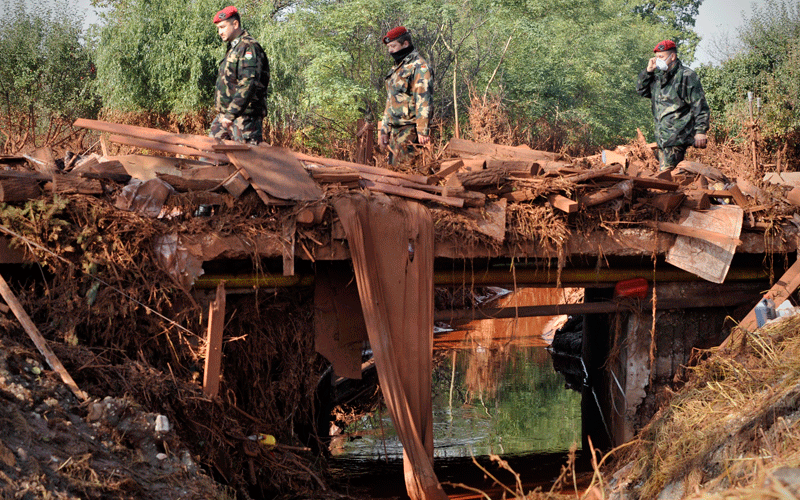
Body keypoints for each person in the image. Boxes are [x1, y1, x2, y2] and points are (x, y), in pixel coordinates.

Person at [636, 40, 710, 172]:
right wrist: (648, 71)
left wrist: (700, 131)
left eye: (661, 57)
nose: (658, 61)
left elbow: (699, 105)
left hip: (677, 136)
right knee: (672, 176)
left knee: (667, 175)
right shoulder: (658, 77)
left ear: (673, 57)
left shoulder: (686, 75)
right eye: (656, 57)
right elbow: (642, 90)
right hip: (662, 138)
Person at [210, 6, 269, 144]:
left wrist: (231, 114)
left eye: (223, 27)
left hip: (245, 119)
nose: (220, 32)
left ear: (235, 24)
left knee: (247, 162)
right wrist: (226, 115)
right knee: (212, 156)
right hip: (225, 117)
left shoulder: (248, 47)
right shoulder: (234, 48)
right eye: (218, 28)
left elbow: (248, 83)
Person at [379, 26, 433, 166]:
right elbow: (390, 101)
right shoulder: (398, 68)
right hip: (395, 131)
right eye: (389, 47)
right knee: (394, 173)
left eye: (393, 46)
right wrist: (384, 129)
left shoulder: (419, 66)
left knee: (405, 175)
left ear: (405, 44)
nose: (390, 50)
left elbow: (423, 99)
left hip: (410, 131)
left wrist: (422, 130)